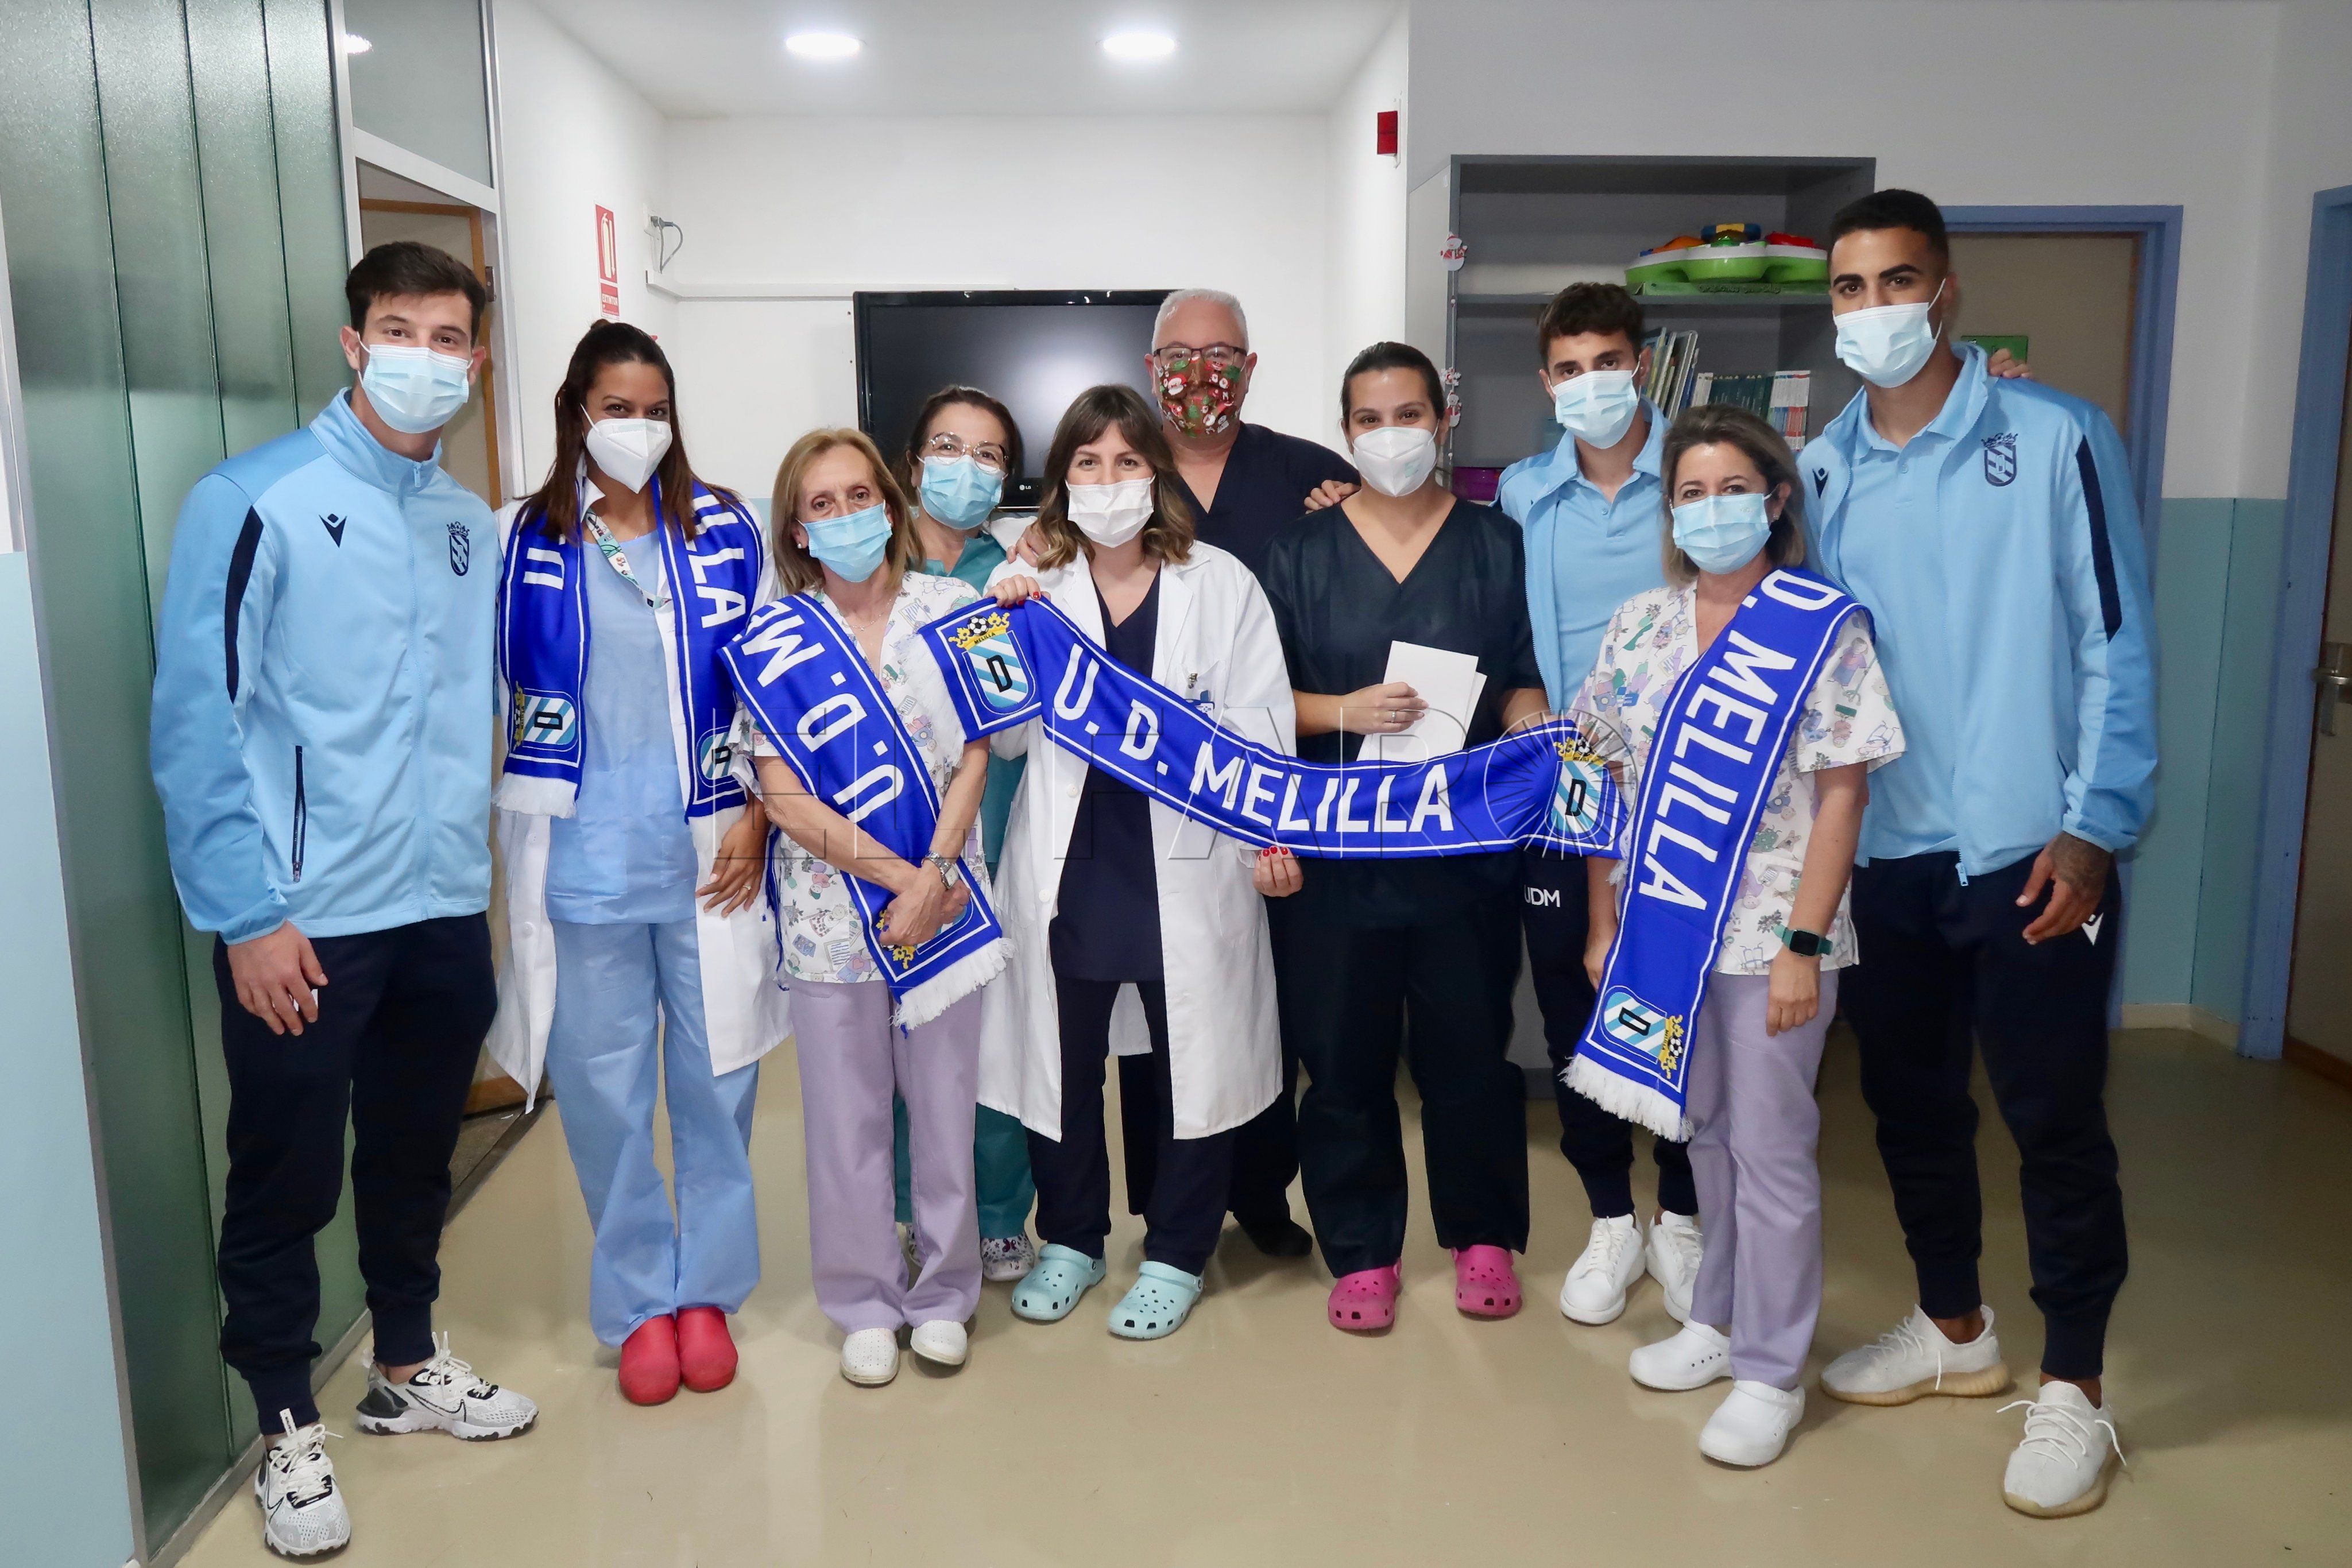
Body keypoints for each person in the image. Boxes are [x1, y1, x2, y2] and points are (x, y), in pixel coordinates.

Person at [150, 241, 537, 1559]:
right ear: (352, 342)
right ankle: (280, 1419)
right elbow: (196, 726)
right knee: (284, 1175)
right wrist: (245, 917)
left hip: (438, 906)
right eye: (398, 327)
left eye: (450, 334)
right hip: (303, 922)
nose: (425, 353)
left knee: (414, 1157)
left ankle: (406, 1362)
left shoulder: (462, 521)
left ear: (477, 361)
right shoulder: (252, 498)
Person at [1803, 189, 2154, 1518]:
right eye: (1848, 287)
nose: (1873, 306)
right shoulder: (1825, 465)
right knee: (1908, 1112)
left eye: (1896, 280)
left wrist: (2094, 824)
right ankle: (1953, 1328)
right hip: (1885, 849)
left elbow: (2111, 639)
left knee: (2052, 1117)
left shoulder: (2056, 436)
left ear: (1941, 290)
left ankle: (2073, 1384)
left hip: (2026, 850)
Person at [1577, 404, 1902, 1468]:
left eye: (1730, 490)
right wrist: (1601, 921)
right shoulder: (1642, 627)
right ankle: (1713, 1321)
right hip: (1665, 929)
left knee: (1771, 1152)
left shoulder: (1819, 626)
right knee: (1702, 1133)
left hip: (1772, 938)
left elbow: (1843, 795)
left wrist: (1807, 945)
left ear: (1774, 499)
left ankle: (1773, 1370)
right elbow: (1598, 773)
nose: (1710, 510)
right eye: (1689, 492)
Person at [487, 320, 782, 1408]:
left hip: (711, 856)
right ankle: (637, 1305)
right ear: (577, 413)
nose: (638, 426)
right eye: (617, 407)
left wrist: (759, 809)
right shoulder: (523, 539)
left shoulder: (723, 531)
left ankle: (705, 1289)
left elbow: (770, 686)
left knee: (720, 1082)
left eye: (654, 406)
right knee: (606, 1095)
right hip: (584, 863)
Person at [982, 384, 1298, 1340]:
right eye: (1088, 464)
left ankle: (1175, 1252)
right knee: (1062, 1063)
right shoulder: (1033, 587)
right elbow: (1001, 746)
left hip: (1189, 863)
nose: (1109, 481)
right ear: (1061, 478)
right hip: (1069, 863)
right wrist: (1004, 620)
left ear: (1155, 474)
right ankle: (1072, 1239)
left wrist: (1270, 838)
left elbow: (1262, 722)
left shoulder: (1220, 581)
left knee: (1189, 1062)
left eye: (1127, 463)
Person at [1263, 342, 1549, 1333]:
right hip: (1339, 852)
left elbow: (1520, 669)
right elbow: (1262, 706)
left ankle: (1481, 1236)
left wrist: (1527, 715)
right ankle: (1361, 1249)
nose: (1393, 435)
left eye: (1409, 414)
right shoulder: (1299, 555)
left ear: (1444, 419)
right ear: (1346, 433)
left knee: (1470, 1052)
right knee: (1340, 1058)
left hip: (1463, 851)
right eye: (1372, 419)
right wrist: (1341, 708)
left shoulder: (1496, 544)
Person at [745, 428, 1000, 1388]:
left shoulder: (956, 607)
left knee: (943, 1116)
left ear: (891, 507)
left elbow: (980, 749)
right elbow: (782, 795)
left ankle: (942, 1295)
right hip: (829, 918)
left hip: (946, 910)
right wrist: (904, 878)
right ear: (798, 531)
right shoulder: (774, 638)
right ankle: (859, 1299)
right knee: (845, 1124)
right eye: (823, 505)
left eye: (862, 496)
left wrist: (935, 873)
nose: (847, 516)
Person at [1494, 283, 1707, 1328]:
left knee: (1680, 1001)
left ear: (1645, 363)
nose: (1593, 385)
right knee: (1575, 1000)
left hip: (1696, 790)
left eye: (1610, 362)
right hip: (1570, 787)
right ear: (1547, 382)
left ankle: (1684, 1214)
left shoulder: (1704, 476)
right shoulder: (1527, 494)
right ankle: (1610, 1216)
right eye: (1571, 369)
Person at [892, 386, 1038, 1282]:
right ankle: (909, 1212)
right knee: (905, 1037)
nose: (967, 469)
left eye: (989, 456)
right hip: (894, 839)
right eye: (949, 447)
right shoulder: (869, 561)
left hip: (1001, 826)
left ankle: (997, 1212)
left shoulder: (1021, 569)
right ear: (913, 465)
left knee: (997, 1037)